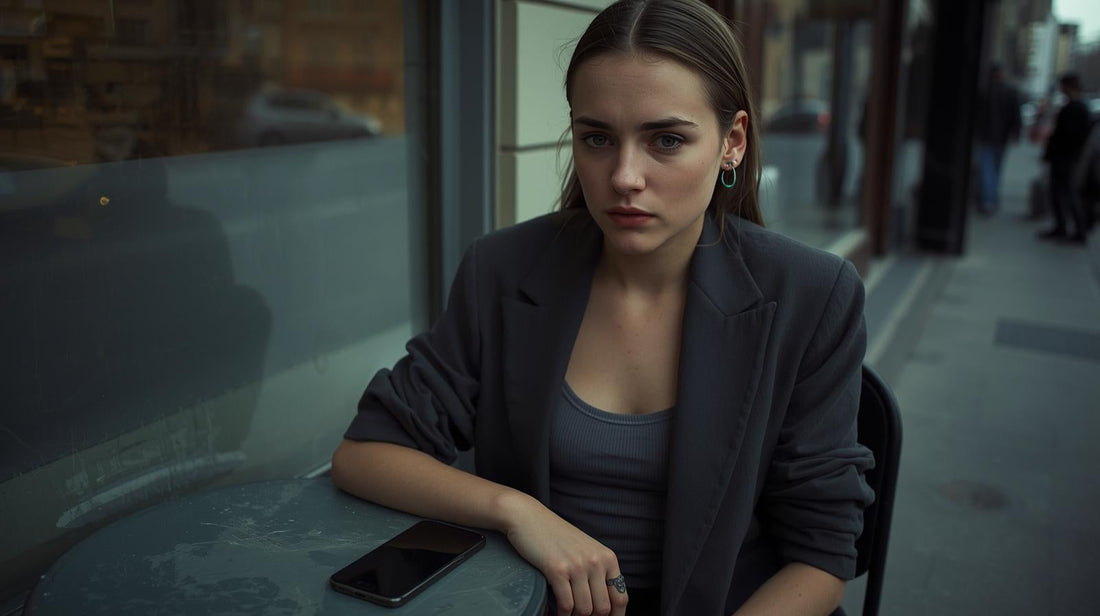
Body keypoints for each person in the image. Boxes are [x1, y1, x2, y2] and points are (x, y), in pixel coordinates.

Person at [331, 1, 874, 615]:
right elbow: (365, 454)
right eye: (597, 138)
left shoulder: (811, 292)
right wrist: (517, 511)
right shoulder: (504, 271)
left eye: (665, 139)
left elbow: (823, 555)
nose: (624, 176)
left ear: (733, 142)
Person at [1039, 72, 1091, 244]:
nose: (1061, 89)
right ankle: (1063, 227)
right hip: (1064, 157)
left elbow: (1070, 136)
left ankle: (1075, 231)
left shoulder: (1076, 107)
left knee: (1067, 193)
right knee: (1060, 193)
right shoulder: (1075, 106)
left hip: (1065, 158)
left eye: (1063, 86)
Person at [975, 64, 1022, 215]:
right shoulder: (1010, 91)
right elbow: (1016, 115)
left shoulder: (984, 90)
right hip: (1001, 137)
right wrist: (1015, 134)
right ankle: (991, 199)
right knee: (995, 169)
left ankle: (988, 200)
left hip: (986, 136)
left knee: (987, 170)